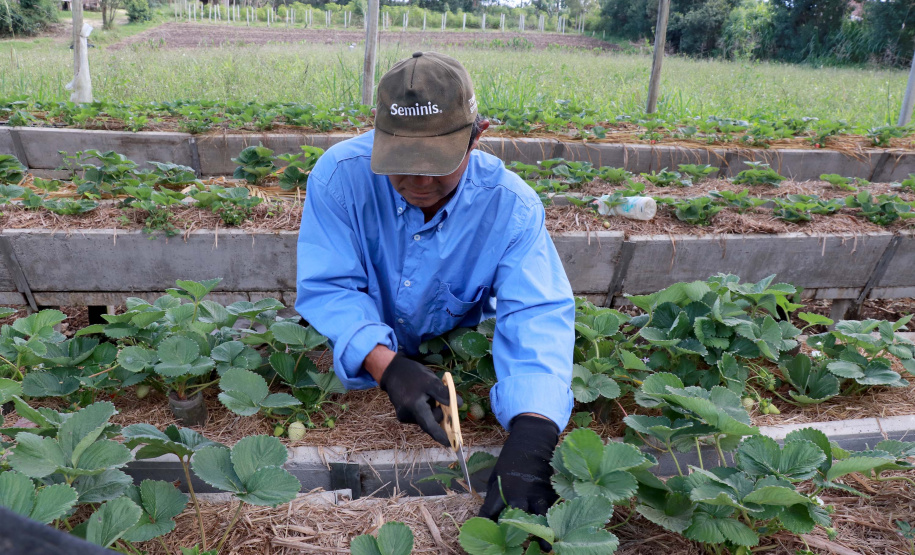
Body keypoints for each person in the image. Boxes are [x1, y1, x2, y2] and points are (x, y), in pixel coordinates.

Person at [295, 51, 574, 520]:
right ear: (378, 134)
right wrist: (387, 367)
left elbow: (536, 313)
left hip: (452, 350)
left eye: (437, 164)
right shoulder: (340, 176)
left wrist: (533, 434)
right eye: (401, 162)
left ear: (476, 136)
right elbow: (332, 288)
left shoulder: (511, 208)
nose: (419, 182)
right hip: (364, 353)